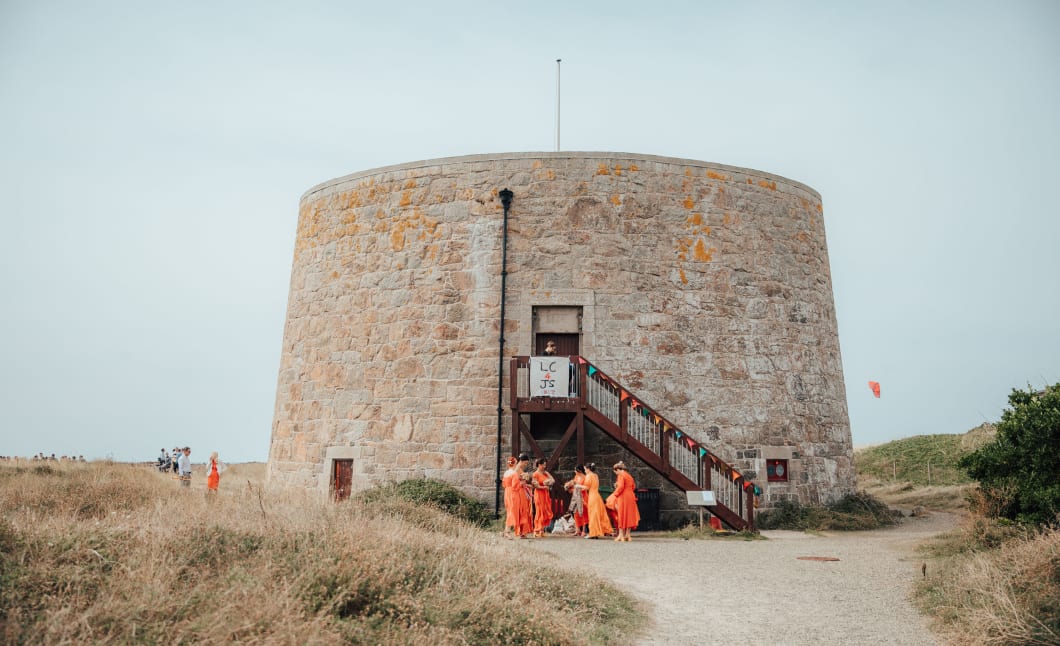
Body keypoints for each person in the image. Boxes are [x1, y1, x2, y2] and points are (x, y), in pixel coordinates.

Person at [581, 463, 613, 539]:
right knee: (598, 514)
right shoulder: (595, 475)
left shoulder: (589, 476)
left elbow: (586, 487)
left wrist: (578, 486)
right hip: (597, 496)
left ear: (588, 469)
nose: (585, 471)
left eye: (585, 469)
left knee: (593, 514)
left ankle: (593, 533)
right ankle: (596, 532)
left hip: (592, 496)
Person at [611, 461, 640, 542]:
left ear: (617, 469)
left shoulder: (621, 475)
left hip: (623, 496)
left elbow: (620, 487)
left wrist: (615, 494)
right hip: (631, 496)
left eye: (615, 472)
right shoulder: (629, 475)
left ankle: (621, 535)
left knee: (621, 514)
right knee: (629, 515)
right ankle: (628, 535)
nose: (616, 473)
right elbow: (633, 486)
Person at [531, 459, 555, 538]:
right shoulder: (535, 474)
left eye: (545, 465)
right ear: (539, 465)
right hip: (539, 494)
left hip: (545, 494)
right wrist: (545, 487)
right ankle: (536, 530)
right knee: (539, 511)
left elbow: (553, 480)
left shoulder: (545, 473)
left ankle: (541, 530)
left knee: (544, 511)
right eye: (543, 465)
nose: (545, 466)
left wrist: (549, 480)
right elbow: (536, 486)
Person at [567, 465, 590, 536]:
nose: (574, 471)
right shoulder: (576, 477)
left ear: (579, 470)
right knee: (575, 513)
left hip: (583, 496)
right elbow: (573, 483)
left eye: (575, 470)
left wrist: (578, 488)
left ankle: (584, 530)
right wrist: (569, 485)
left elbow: (586, 488)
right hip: (576, 496)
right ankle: (578, 530)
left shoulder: (585, 477)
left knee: (583, 513)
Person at [501, 456, 518, 539]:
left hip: (507, 492)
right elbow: (515, 486)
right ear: (514, 463)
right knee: (512, 511)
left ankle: (506, 530)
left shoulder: (505, 473)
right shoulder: (514, 473)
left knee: (509, 511)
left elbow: (503, 484)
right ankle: (507, 531)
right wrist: (521, 483)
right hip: (512, 492)